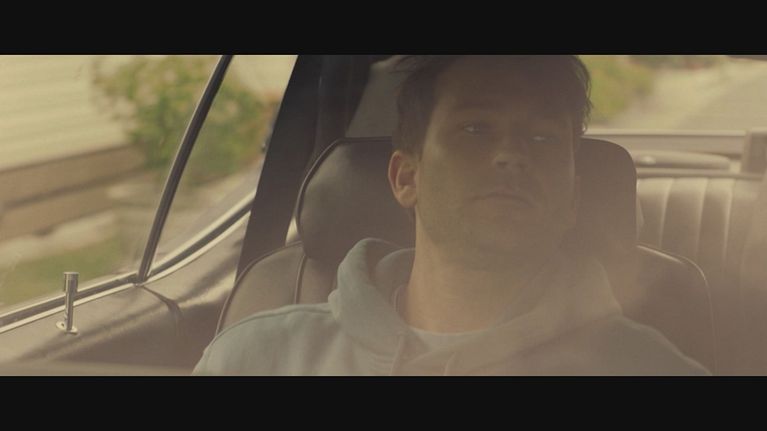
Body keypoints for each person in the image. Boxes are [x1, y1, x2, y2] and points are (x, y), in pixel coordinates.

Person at [193, 55, 709, 375]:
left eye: (543, 137)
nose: (512, 155)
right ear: (406, 177)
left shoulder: (652, 370)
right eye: (475, 129)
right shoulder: (255, 360)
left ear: (573, 198)